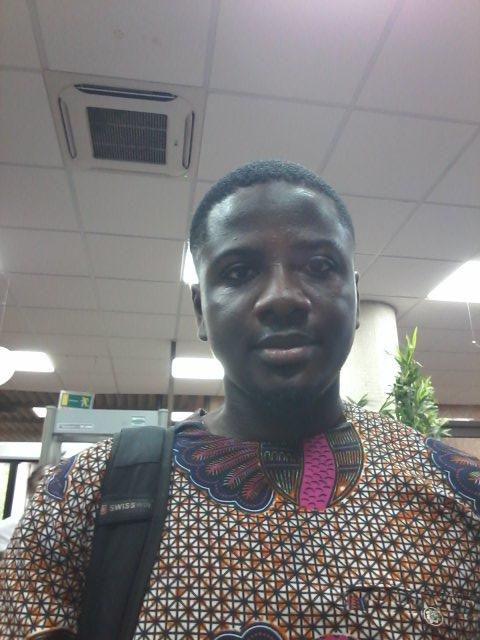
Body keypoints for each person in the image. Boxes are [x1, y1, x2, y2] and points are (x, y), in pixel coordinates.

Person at [0, 160, 479, 639]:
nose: (282, 297)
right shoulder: (83, 498)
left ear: (354, 295)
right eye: (239, 271)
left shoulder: (461, 491)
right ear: (200, 311)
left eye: (319, 266)